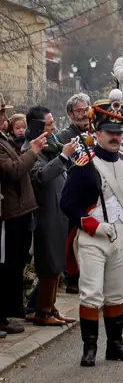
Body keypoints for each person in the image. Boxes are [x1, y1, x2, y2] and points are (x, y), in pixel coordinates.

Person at [59, 90, 123, 367]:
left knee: (117, 293)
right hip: (92, 237)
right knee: (91, 293)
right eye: (110, 132)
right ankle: (90, 348)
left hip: (120, 235)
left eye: (119, 133)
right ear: (97, 132)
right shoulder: (85, 164)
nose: (115, 137)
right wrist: (92, 225)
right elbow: (67, 203)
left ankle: (115, 345)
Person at [24, 106, 76, 326]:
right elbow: (41, 177)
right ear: (37, 127)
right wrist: (63, 156)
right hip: (45, 214)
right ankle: (42, 311)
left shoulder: (51, 146)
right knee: (49, 264)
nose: (53, 127)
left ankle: (51, 307)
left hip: (58, 212)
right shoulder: (30, 149)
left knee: (57, 263)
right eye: (49, 124)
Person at [0, 98, 46, 336]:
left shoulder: (4, 138)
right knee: (7, 264)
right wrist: (33, 151)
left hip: (20, 209)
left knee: (17, 263)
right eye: (2, 114)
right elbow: (14, 170)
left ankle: (12, 307)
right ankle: (4, 314)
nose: (6, 118)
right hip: (10, 210)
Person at [58, 93, 93, 296]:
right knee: (73, 238)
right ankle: (73, 277)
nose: (84, 113)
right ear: (71, 114)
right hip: (74, 192)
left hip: (93, 193)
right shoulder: (64, 136)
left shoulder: (96, 132)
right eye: (80, 110)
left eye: (86, 109)